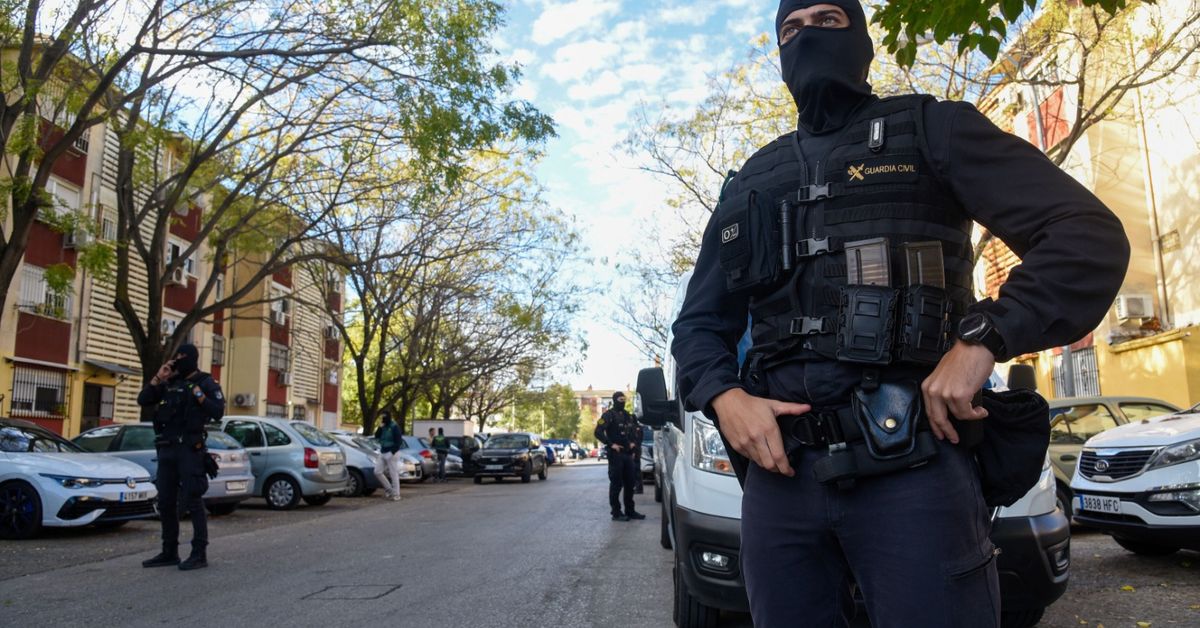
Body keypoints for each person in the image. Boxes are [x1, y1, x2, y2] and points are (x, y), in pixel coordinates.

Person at [670, 1, 1130, 626]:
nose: (807, 36)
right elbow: (699, 326)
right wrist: (725, 396)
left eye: (827, 20)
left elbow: (1085, 237)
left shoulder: (932, 129)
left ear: (861, 38)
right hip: (781, 485)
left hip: (914, 468)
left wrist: (983, 339)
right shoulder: (752, 178)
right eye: (790, 28)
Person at [137, 343, 225, 571]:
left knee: (193, 500)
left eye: (183, 357)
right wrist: (159, 376)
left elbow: (217, 411)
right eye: (177, 357)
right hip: (167, 449)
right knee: (166, 502)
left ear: (193, 359)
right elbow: (144, 399)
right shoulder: (170, 383)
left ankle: (199, 553)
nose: (179, 360)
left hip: (189, 449)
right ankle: (169, 551)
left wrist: (199, 395)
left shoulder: (205, 382)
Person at [594, 392, 645, 522]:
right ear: (615, 400)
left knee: (630, 484)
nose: (622, 402)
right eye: (620, 399)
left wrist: (634, 444)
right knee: (616, 484)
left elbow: (638, 430)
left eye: (624, 399)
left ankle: (630, 511)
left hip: (628, 455)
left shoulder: (629, 416)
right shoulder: (608, 415)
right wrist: (611, 444)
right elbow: (598, 432)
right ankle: (616, 513)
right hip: (616, 455)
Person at [373, 411, 403, 501]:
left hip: (392, 452)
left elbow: (399, 442)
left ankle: (397, 494)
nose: (384, 420)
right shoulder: (383, 426)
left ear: (389, 418)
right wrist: (379, 427)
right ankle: (389, 489)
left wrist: (392, 452)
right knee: (377, 472)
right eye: (383, 418)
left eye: (385, 418)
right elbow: (376, 436)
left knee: (393, 473)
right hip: (383, 451)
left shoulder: (394, 427)